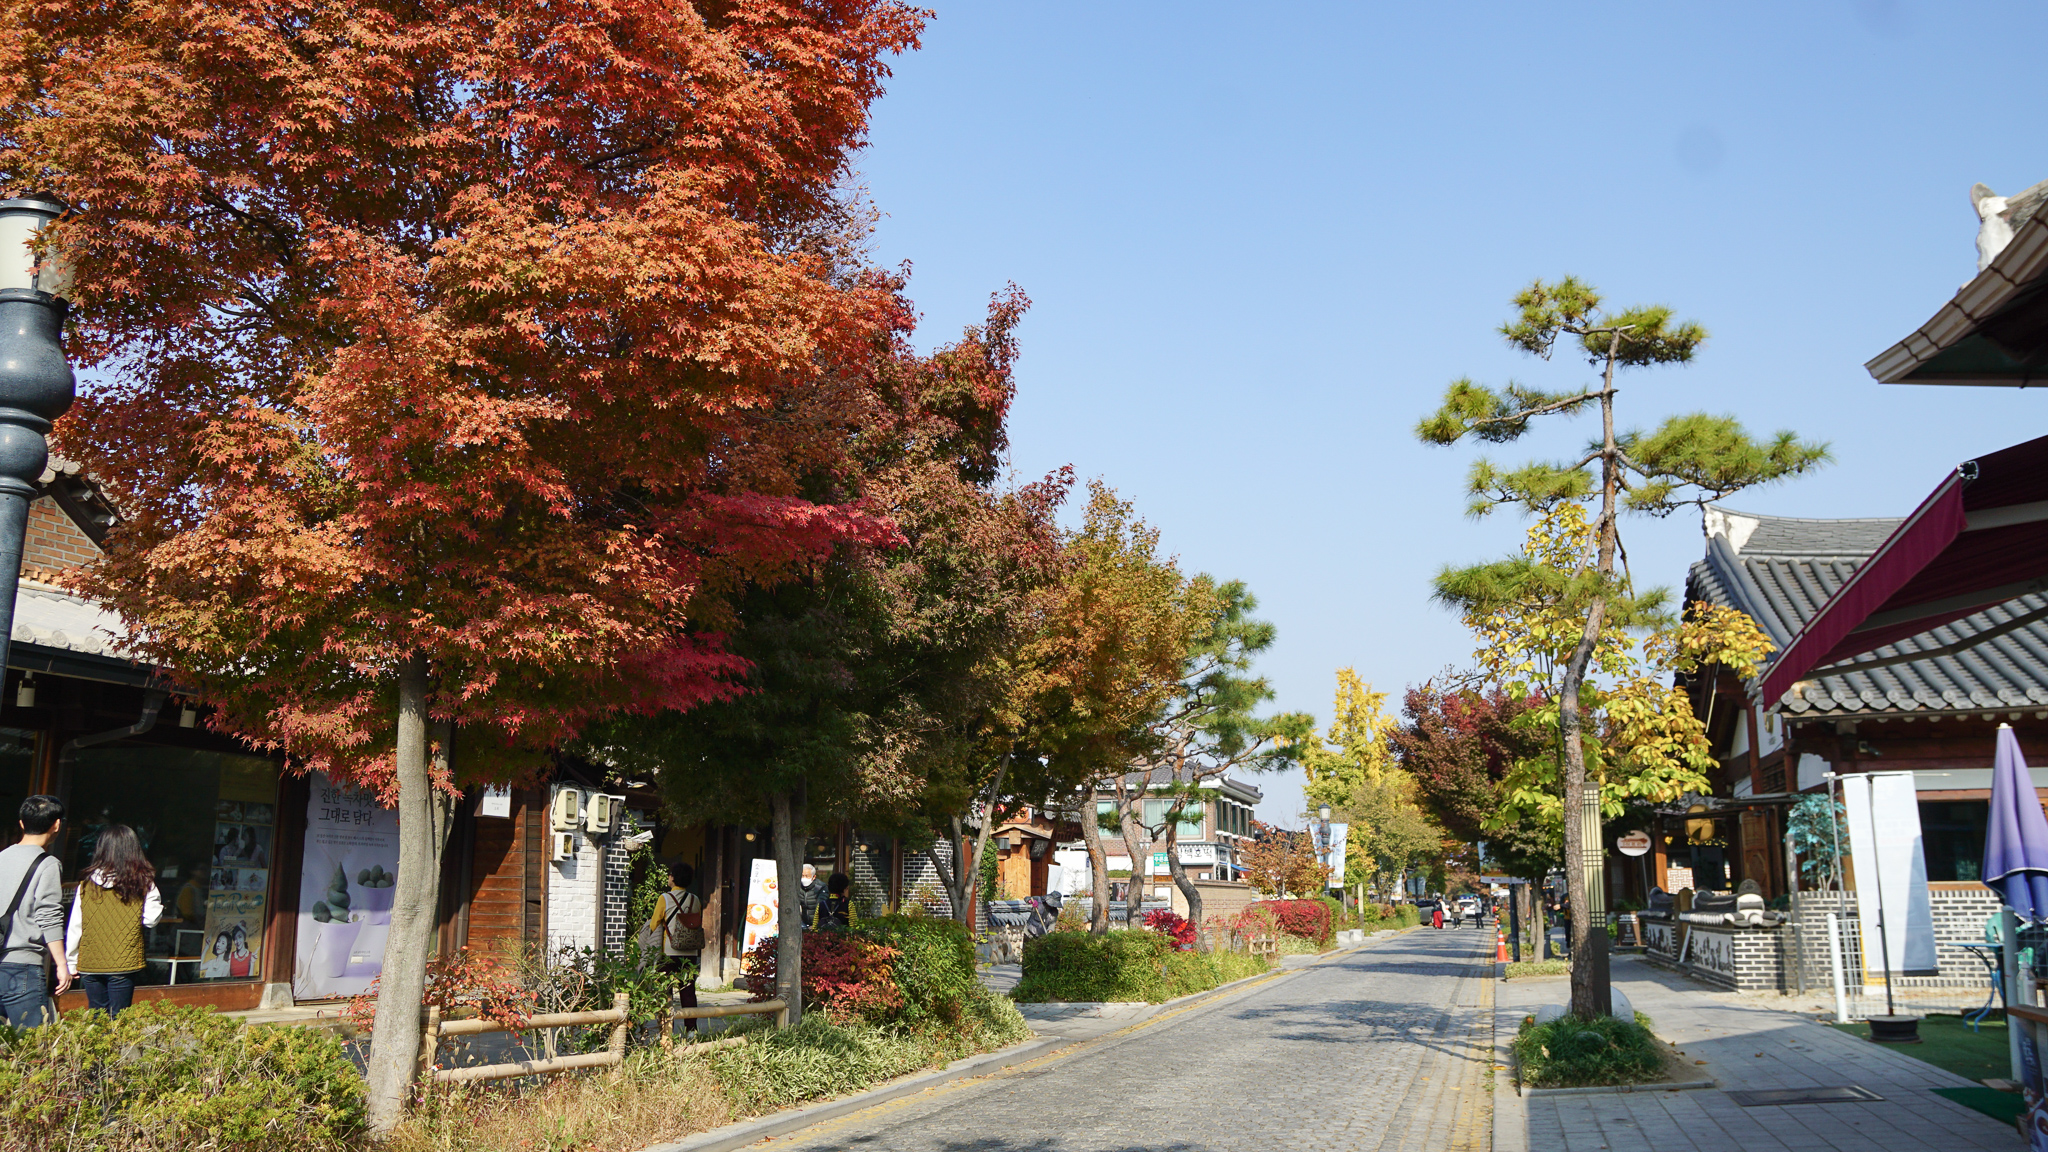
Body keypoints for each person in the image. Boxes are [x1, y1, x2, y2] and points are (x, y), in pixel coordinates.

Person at [65, 823, 163, 1017]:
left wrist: (71, 962)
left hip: (91, 962)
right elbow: (151, 920)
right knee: (119, 1019)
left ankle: (96, 1048)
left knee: (97, 1017)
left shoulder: (85, 885)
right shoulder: (143, 883)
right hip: (123, 962)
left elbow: (76, 926)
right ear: (133, 850)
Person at [1, 795, 72, 1026]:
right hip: (23, 967)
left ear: (22, 823)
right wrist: (62, 964)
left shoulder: (1, 858)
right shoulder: (48, 864)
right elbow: (49, 916)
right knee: (34, 1049)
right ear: (57, 825)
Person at [650, 862, 704, 1037]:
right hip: (690, 953)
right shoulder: (695, 899)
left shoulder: (664, 898)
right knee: (688, 992)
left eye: (669, 875)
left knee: (666, 992)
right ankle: (691, 1031)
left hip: (669, 953)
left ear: (673, 878)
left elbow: (653, 924)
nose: (668, 877)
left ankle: (666, 1032)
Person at [795, 864, 823, 930]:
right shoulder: (797, 886)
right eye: (802, 876)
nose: (804, 878)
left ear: (813, 877)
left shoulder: (820, 887)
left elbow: (820, 907)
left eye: (807, 876)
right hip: (802, 923)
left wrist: (815, 925)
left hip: (817, 924)